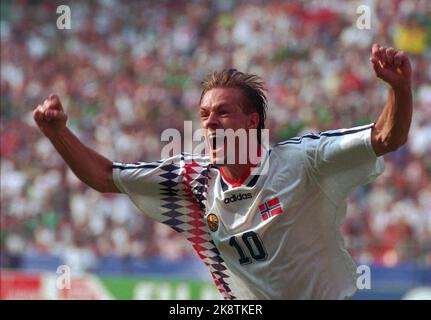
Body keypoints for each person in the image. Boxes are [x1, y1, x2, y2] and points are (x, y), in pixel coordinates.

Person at [33, 44, 412, 299]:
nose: (210, 122)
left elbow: (385, 137)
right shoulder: (193, 179)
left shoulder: (303, 161)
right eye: (204, 115)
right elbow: (103, 176)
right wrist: (58, 133)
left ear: (251, 122)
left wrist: (399, 89)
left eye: (223, 112)